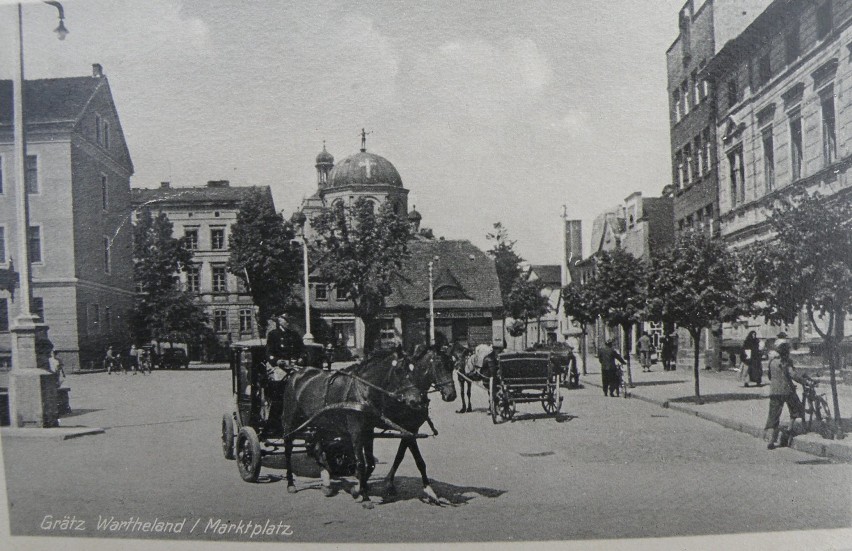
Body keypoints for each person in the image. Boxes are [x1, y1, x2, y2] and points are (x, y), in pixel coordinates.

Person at [765, 336, 809, 449]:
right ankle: (790, 429)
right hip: (787, 391)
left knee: (773, 415)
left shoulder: (772, 362)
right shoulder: (787, 362)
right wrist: (804, 381)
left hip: (774, 391)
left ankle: (770, 440)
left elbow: (769, 376)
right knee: (796, 408)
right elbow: (793, 375)